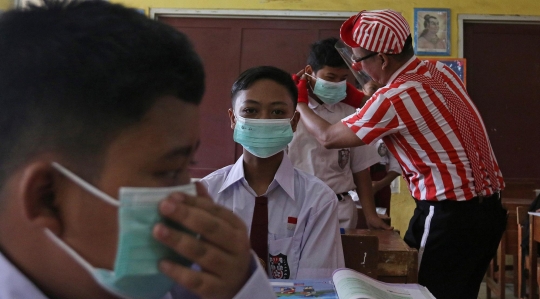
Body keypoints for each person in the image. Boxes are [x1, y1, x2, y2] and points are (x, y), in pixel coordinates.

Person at [0, 1, 275, 299]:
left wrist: (242, 291)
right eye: (168, 171)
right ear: (47, 197)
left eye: (189, 165)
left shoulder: (190, 289)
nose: (200, 198)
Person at [295, 9, 507, 299]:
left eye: (358, 60)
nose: (357, 68)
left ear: (382, 59)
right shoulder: (438, 72)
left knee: (424, 293)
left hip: (449, 213)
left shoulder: (394, 97)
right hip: (489, 210)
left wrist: (300, 102)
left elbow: (328, 138)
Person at [200, 66, 344, 280]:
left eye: (277, 112)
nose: (264, 120)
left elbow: (315, 290)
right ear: (233, 119)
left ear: (294, 122)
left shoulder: (318, 200)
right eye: (250, 111)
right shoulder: (206, 194)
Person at [288, 37, 391, 230]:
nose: (336, 84)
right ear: (310, 72)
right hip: (296, 205)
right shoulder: (288, 109)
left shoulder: (349, 111)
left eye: (343, 79)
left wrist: (370, 215)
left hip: (340, 208)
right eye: (330, 77)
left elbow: (360, 169)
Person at [370, 139, 401, 215]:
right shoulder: (352, 132)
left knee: (381, 216)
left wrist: (379, 185)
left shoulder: (387, 136)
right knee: (358, 218)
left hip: (380, 180)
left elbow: (396, 167)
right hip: (356, 180)